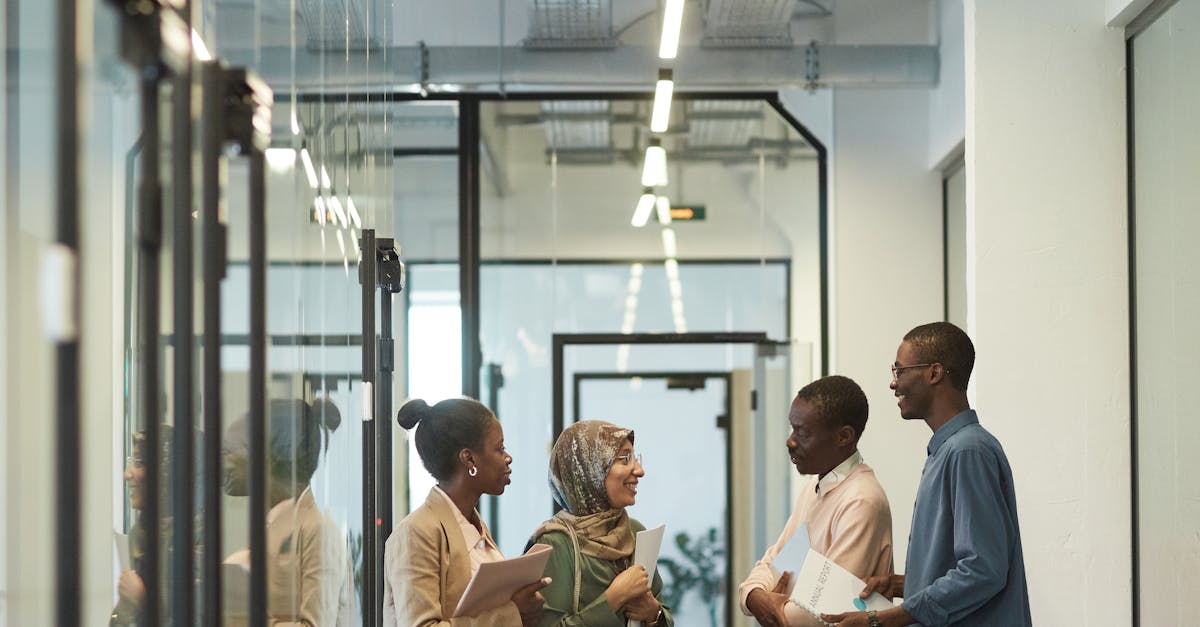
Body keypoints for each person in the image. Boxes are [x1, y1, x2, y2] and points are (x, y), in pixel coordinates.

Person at [823, 322, 1031, 627]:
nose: (893, 384)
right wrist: (899, 585)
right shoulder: (949, 450)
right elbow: (962, 569)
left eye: (900, 370)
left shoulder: (967, 451)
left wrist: (881, 620)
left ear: (934, 373)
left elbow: (983, 569)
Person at [739, 375, 894, 627]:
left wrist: (768, 603)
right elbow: (770, 565)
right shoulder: (815, 486)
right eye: (792, 428)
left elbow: (824, 612)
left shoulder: (862, 500)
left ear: (844, 436)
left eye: (802, 432)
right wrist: (755, 596)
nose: (790, 441)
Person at [383, 397, 548, 627]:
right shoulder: (416, 533)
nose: (508, 457)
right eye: (499, 448)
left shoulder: (473, 525)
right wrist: (513, 614)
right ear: (469, 459)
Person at [222, 398, 356, 626]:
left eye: (230, 450)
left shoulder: (319, 530)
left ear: (266, 456)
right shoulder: (275, 524)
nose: (223, 461)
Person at [527, 420, 674, 627]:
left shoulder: (634, 531)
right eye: (625, 459)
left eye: (635, 458)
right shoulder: (555, 543)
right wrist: (614, 598)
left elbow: (662, 611)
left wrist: (654, 613)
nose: (639, 470)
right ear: (590, 470)